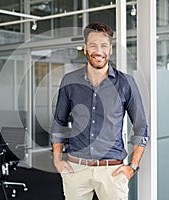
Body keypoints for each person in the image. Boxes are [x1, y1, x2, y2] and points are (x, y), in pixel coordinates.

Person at [51, 22, 149, 200]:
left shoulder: (126, 83)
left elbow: (141, 126)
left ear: (110, 49)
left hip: (112, 170)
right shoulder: (69, 81)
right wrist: (58, 160)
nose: (99, 51)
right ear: (85, 48)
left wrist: (133, 166)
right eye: (93, 45)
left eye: (104, 45)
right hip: (76, 169)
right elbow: (59, 122)